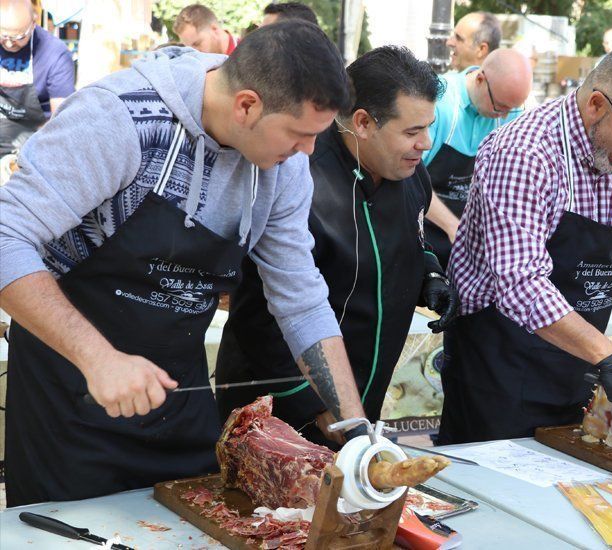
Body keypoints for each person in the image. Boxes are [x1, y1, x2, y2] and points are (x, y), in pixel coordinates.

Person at [0, 22, 367, 507]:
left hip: (179, 402)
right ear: (247, 106)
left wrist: (356, 430)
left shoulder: (284, 168)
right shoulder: (122, 119)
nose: (309, 151)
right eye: (300, 134)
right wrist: (98, 358)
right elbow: (6, 236)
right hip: (70, 403)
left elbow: (300, 298)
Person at [437, 42, 612, 445]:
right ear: (595, 105)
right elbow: (521, 283)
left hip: (580, 362)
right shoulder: (524, 152)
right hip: (500, 366)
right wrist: (607, 354)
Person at [216, 46, 459, 447]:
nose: (426, 143)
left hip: (367, 388)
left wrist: (430, 272)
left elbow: (413, 235)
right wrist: (315, 404)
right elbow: (259, 315)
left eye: (429, 127)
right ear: (362, 122)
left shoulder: (410, 173)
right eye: (413, 131)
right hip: (281, 401)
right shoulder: (298, 174)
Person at [423, 48, 532, 267]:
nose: (503, 115)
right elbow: (412, 179)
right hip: (424, 230)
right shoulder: (441, 102)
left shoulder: (510, 113)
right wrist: (454, 227)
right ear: (481, 79)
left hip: (470, 237)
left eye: (511, 109)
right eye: (500, 107)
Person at [0, 0, 74, 154]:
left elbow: (60, 120)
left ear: (33, 24)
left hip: (36, 131)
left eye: (18, 37)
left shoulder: (55, 54)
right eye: (3, 35)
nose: (8, 44)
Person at [174, 4, 239, 55]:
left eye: (197, 44)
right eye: (189, 49)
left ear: (214, 29)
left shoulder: (246, 54)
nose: (194, 53)